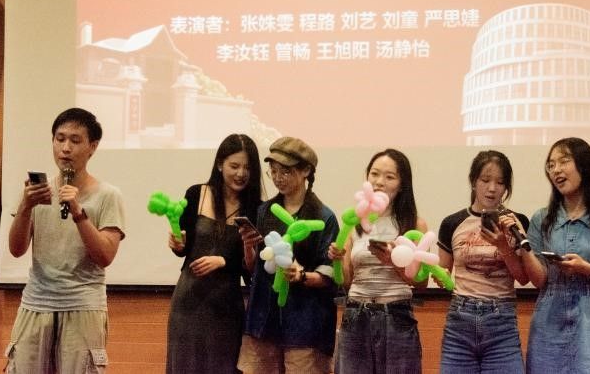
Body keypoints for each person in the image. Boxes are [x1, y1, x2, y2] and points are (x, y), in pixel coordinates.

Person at [5, 107, 125, 373]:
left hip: (83, 306)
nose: (66, 148)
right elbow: (16, 249)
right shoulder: (37, 192)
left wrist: (79, 213)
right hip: (36, 303)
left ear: (93, 147)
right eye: (59, 139)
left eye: (75, 140)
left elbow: (105, 256)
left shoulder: (107, 195)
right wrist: (25, 206)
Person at [521, 137, 590, 374]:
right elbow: (539, 280)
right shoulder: (542, 219)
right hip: (548, 326)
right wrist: (522, 247)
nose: (556, 170)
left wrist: (589, 269)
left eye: (564, 161)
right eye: (551, 165)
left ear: (584, 165)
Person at [238, 136, 339, 374]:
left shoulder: (323, 217)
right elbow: (254, 270)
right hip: (263, 319)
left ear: (306, 171)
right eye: (273, 171)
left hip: (306, 324)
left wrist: (301, 276)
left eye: (285, 171)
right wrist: (248, 248)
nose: (277, 178)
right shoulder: (264, 211)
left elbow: (329, 276)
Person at [166, 134, 263, 374]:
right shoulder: (196, 194)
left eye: (247, 168)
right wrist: (177, 244)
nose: (241, 173)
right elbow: (183, 248)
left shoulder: (257, 208)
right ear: (220, 164)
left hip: (226, 305)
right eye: (234, 166)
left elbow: (251, 270)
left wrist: (224, 261)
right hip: (188, 299)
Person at [328, 148, 428, 374]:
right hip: (356, 314)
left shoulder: (414, 224)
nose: (379, 182)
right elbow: (346, 281)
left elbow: (421, 283)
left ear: (402, 184)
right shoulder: (353, 223)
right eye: (374, 174)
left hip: (396, 315)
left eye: (389, 177)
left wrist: (392, 262)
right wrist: (337, 258)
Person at [437, 150, 531, 373]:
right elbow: (443, 275)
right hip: (460, 320)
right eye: (485, 180)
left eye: (500, 182)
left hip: (502, 320)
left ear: (506, 187)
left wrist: (503, 246)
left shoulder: (516, 222)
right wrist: (440, 277)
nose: (492, 188)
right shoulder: (452, 223)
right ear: (473, 181)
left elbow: (523, 278)